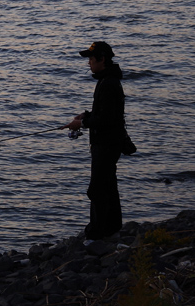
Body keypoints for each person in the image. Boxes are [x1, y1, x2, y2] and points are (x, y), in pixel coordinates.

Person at [60, 41, 127, 241]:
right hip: (108, 142)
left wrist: (81, 124)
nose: (88, 63)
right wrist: (86, 115)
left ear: (102, 59)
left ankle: (97, 234)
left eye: (91, 58)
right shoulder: (108, 80)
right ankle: (112, 229)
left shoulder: (108, 83)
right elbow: (107, 113)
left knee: (97, 189)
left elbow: (107, 119)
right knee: (108, 186)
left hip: (105, 144)